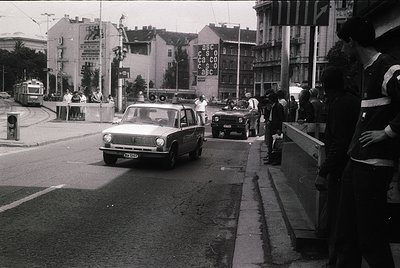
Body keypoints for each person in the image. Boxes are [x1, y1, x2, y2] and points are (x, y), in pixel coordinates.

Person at [334, 16, 400, 268]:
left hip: (373, 166)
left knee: (371, 238)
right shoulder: (366, 70)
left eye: (343, 43)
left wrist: (388, 132)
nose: (341, 49)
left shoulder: (387, 67)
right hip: (357, 161)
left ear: (352, 42)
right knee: (346, 234)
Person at [313, 66, 360, 268]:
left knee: (338, 221)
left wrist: (323, 172)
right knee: (343, 221)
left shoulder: (339, 104)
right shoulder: (351, 100)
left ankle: (336, 263)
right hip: (352, 168)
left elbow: (339, 144)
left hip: (341, 171)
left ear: (325, 87)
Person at [264, 92, 285, 165]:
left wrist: (279, 128)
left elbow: (281, 118)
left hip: (276, 128)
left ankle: (276, 160)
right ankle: (271, 159)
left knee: (276, 144)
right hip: (272, 126)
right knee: (271, 144)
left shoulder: (278, 106)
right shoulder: (272, 106)